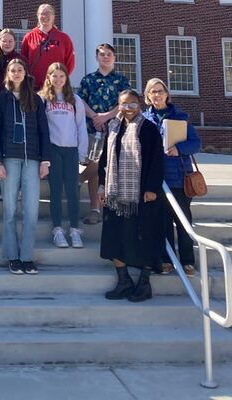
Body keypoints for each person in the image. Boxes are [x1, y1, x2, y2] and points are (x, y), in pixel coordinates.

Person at [98, 89, 164, 303]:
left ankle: (144, 284)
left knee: (143, 237)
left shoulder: (149, 129)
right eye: (124, 104)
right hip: (115, 194)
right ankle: (124, 280)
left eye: (132, 104)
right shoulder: (113, 127)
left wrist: (152, 188)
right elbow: (104, 160)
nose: (128, 108)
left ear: (139, 105)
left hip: (141, 195)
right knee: (112, 238)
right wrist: (101, 186)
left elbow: (156, 160)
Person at [0, 59, 50, 274]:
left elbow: (44, 131)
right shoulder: (0, 100)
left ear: (25, 73)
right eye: (12, 70)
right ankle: (12, 257)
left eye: (20, 70)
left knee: (31, 211)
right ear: (7, 74)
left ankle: (26, 257)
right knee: (9, 211)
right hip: (9, 161)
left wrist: (45, 160)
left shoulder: (35, 99)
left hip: (32, 160)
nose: (16, 73)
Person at [143, 77, 202, 277]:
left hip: (177, 177)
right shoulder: (143, 118)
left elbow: (196, 143)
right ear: (148, 96)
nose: (157, 95)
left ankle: (187, 261)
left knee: (183, 221)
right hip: (155, 178)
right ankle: (166, 260)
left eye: (160, 91)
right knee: (162, 222)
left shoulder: (180, 116)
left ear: (167, 94)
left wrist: (179, 149)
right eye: (153, 92)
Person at [77, 43, 131, 225]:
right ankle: (95, 210)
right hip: (92, 129)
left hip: (115, 130)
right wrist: (94, 116)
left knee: (102, 163)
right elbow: (80, 101)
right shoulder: (88, 79)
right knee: (96, 169)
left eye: (109, 54)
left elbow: (125, 104)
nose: (105, 57)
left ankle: (78, 180)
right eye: (102, 54)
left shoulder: (122, 81)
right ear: (97, 58)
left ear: (114, 57)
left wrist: (106, 116)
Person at [40, 62, 88, 249]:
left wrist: (82, 152)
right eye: (55, 76)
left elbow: (81, 127)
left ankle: (75, 230)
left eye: (62, 76)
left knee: (72, 191)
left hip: (71, 150)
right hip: (53, 150)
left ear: (67, 78)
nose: (58, 79)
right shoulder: (43, 99)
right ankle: (58, 229)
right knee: (56, 191)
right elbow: (41, 128)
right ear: (49, 78)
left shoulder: (75, 100)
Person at [20, 4, 75, 90]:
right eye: (42, 13)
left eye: (48, 13)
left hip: (56, 86)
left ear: (53, 16)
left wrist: (61, 80)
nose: (45, 16)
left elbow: (70, 62)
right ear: (38, 16)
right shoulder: (29, 37)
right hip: (34, 87)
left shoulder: (64, 38)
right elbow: (23, 60)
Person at [0, 28, 26, 96]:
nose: (7, 44)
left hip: (17, 98)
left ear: (15, 42)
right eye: (4, 41)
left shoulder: (22, 60)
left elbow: (27, 82)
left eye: (10, 41)